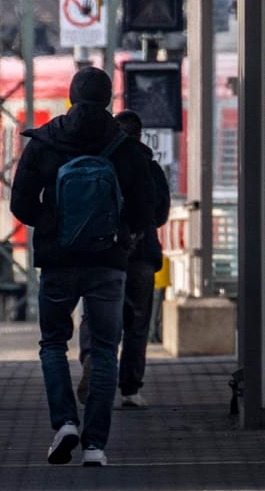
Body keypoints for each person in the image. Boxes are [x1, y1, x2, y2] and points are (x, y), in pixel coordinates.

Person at [9, 68, 165, 467]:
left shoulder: (46, 140)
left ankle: (65, 423)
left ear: (71, 97)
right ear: (109, 100)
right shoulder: (125, 147)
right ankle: (95, 446)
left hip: (58, 262)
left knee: (53, 343)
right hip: (108, 263)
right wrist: (120, 233)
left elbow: (20, 204)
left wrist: (53, 225)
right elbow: (146, 210)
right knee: (106, 350)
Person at [76, 110, 170, 408]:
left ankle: (91, 360)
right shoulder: (149, 167)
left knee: (95, 315)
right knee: (136, 323)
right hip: (140, 257)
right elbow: (161, 213)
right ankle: (130, 389)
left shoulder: (97, 164)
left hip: (102, 255)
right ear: (140, 136)